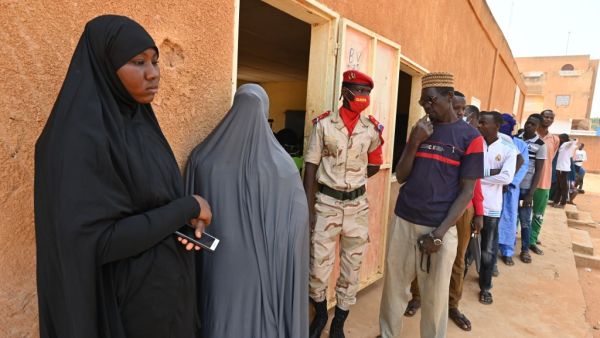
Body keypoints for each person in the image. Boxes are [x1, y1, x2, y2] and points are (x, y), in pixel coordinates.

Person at [34, 15, 212, 338]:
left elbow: (151, 204)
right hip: (122, 316)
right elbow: (99, 241)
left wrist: (183, 225)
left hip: (167, 307)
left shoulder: (141, 123)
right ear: (105, 66)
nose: (153, 74)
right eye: (137, 62)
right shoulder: (75, 142)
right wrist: (187, 208)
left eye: (155, 61)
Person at [184, 84, 309, 338]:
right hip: (261, 273)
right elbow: (296, 228)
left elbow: (187, 214)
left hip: (216, 265)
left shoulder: (202, 158)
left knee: (218, 318)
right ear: (265, 113)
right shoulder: (282, 168)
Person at [378, 72, 483, 338]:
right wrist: (414, 142)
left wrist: (438, 234)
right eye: (423, 102)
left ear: (449, 97)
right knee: (394, 290)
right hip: (404, 220)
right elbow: (401, 176)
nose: (427, 107)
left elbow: (467, 192)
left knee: (435, 299)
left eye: (431, 100)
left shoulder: (470, 138)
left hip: (438, 228)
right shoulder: (422, 129)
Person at [303, 69, 383, 338]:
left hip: (357, 207)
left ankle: (338, 324)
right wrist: (308, 207)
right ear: (346, 92)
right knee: (317, 268)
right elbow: (311, 166)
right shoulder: (324, 125)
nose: (363, 97)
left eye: (367, 92)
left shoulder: (371, 128)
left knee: (351, 269)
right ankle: (321, 315)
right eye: (359, 91)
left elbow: (374, 164)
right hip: (326, 204)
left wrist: (354, 179)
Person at [403, 91, 484, 332]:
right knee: (422, 254)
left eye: (462, 109)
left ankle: (452, 305)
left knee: (456, 260)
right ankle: (417, 297)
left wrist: (479, 212)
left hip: (461, 210)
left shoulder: (470, 137)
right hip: (435, 209)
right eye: (456, 108)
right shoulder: (428, 130)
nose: (459, 112)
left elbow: (473, 187)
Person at [477, 111, 517, 305]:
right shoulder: (473, 140)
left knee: (488, 249)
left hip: (491, 206)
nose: (479, 125)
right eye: (479, 122)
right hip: (468, 201)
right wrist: (492, 172)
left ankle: (485, 287)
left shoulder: (508, 146)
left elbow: (507, 177)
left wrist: (477, 174)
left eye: (484, 123)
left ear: (497, 126)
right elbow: (464, 168)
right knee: (462, 247)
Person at [516, 114, 547, 264]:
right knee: (508, 219)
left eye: (533, 124)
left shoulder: (541, 145)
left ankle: (525, 250)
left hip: (525, 189)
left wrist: (531, 193)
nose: (529, 126)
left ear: (537, 127)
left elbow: (539, 171)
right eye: (528, 122)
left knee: (525, 221)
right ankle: (505, 248)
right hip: (512, 187)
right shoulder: (516, 138)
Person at [497, 113, 527, 266]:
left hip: (510, 188)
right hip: (494, 186)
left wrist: (509, 182)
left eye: (505, 122)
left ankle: (507, 251)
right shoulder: (494, 140)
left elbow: (524, 165)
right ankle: (491, 249)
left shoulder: (520, 144)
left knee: (509, 217)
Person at [530, 109, 560, 255]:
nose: (547, 119)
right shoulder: (530, 134)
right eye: (545, 116)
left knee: (538, 214)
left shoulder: (554, 140)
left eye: (550, 117)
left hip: (544, 182)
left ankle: (532, 240)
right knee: (519, 212)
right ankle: (512, 239)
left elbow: (550, 159)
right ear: (540, 117)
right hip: (528, 181)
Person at [552, 134, 578, 208]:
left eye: (559, 138)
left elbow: (574, 142)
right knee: (559, 187)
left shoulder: (566, 144)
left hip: (563, 169)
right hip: (559, 168)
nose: (558, 140)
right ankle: (556, 202)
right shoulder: (563, 145)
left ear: (563, 139)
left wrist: (572, 140)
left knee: (564, 187)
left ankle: (563, 203)